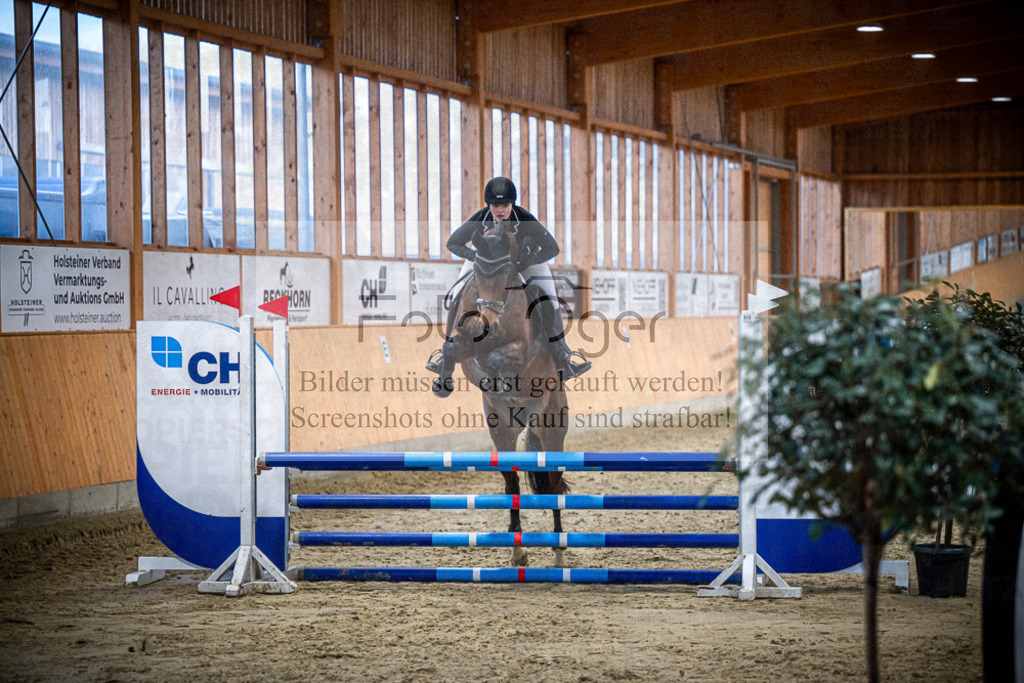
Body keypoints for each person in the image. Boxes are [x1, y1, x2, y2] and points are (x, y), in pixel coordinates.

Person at [425, 177, 591, 396]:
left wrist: (527, 260)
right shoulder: (480, 219)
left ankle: (562, 355)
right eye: (495, 206)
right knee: (457, 294)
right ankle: (444, 354)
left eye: (504, 205)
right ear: (489, 205)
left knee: (548, 298)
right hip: (485, 263)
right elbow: (452, 243)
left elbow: (552, 247)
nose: (500, 210)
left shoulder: (524, 219)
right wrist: (474, 255)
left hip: (525, 261)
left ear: (512, 204)